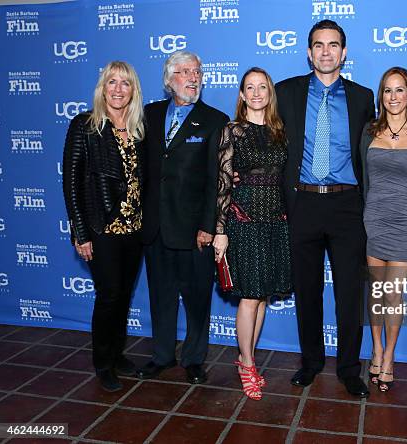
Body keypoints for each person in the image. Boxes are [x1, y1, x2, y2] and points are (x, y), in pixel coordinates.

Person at [275, 20, 375, 398]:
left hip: (348, 204)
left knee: (350, 292)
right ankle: (311, 362)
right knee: (307, 289)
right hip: (302, 202)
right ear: (309, 51)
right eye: (319, 45)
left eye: (334, 45)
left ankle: (349, 368)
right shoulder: (285, 93)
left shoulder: (364, 97)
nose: (326, 52)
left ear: (344, 52)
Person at [136, 50, 229, 384]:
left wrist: (208, 226)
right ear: (169, 79)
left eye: (198, 71)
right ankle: (161, 355)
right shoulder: (149, 114)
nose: (194, 77)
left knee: (197, 297)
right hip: (155, 228)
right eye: (186, 72)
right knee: (160, 296)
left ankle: (193, 358)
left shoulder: (215, 120)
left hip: (194, 231)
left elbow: (216, 181)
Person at [62, 61, 145, 392]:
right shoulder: (85, 125)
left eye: (125, 83)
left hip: (135, 229)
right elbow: (71, 183)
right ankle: (102, 362)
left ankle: (117, 354)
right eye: (112, 82)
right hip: (102, 226)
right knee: (109, 295)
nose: (118, 89)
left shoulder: (139, 128)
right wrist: (80, 232)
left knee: (124, 295)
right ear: (102, 87)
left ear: (133, 90)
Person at [213, 67, 291, 401]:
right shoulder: (233, 130)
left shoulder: (280, 131)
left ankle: (250, 358)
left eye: (262, 87)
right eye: (250, 88)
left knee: (262, 296)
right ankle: (246, 363)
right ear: (242, 94)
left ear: (269, 93)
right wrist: (220, 231)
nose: (257, 93)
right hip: (243, 220)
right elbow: (223, 182)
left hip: (274, 220)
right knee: (249, 296)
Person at [360, 67, 407, 392]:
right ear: (381, 96)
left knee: (393, 294)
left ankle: (389, 357)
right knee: (375, 292)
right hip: (374, 217)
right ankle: (374, 348)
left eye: (400, 90)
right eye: (387, 90)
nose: (393, 97)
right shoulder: (369, 132)